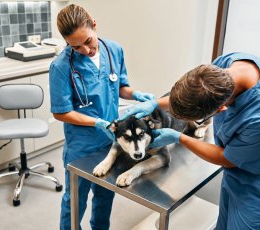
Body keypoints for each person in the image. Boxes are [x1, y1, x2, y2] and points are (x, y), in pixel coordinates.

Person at [119, 52, 260, 229]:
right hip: (235, 176)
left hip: (259, 189)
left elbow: (228, 159)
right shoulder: (224, 66)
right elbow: (195, 92)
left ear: (221, 109)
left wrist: (178, 137)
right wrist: (156, 103)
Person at [49, 4, 155, 230]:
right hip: (82, 144)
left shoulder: (114, 50)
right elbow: (60, 112)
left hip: (111, 142)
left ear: (94, 25)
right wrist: (97, 122)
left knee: (105, 197)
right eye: (75, 47)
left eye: (88, 41)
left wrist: (135, 94)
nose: (85, 50)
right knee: (74, 200)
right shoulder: (60, 67)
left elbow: (120, 86)